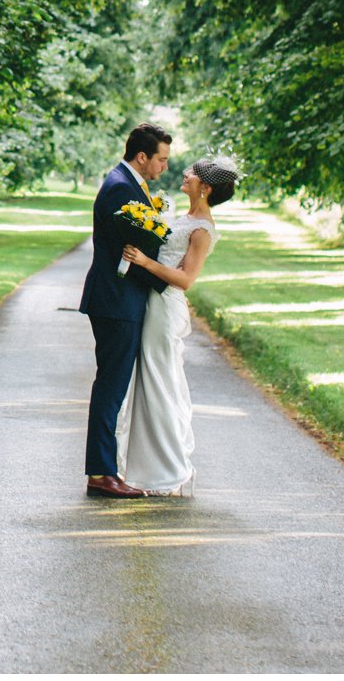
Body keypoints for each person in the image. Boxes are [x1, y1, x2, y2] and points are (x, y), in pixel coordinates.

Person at [117, 156, 239, 497]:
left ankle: (167, 471)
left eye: (193, 174)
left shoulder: (202, 229)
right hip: (152, 302)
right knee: (150, 380)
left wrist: (144, 261)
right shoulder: (186, 218)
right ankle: (144, 466)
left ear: (206, 188)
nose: (185, 174)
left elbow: (185, 279)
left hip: (166, 307)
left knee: (159, 381)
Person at [77, 122, 171, 499]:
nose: (165, 166)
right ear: (142, 156)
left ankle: (103, 470)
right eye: (161, 159)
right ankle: (101, 473)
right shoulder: (119, 187)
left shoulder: (128, 183)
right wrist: (172, 280)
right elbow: (140, 245)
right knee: (111, 389)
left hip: (119, 300)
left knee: (112, 387)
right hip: (116, 301)